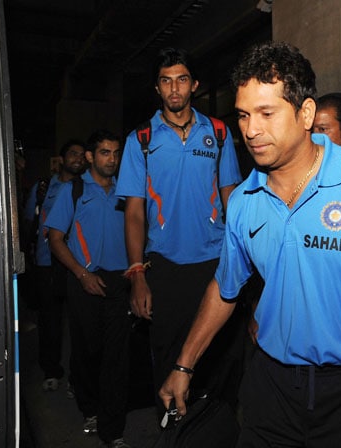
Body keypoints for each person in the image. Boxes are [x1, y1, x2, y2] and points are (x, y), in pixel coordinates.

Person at [160, 41, 341, 448]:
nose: (250, 130)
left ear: (306, 114)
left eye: (267, 113)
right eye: (244, 115)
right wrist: (184, 364)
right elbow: (224, 289)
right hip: (271, 388)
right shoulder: (245, 200)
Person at [117, 47, 243, 412]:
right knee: (170, 358)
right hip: (165, 266)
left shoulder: (218, 133)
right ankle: (172, 431)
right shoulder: (139, 140)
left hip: (214, 262)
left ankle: (215, 433)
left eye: (182, 80)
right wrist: (137, 274)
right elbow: (134, 214)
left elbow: (231, 198)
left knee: (218, 359)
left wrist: (241, 258)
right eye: (166, 81)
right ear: (157, 88)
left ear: (195, 85)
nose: (174, 89)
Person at [46, 130, 131, 448]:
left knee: (117, 356)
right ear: (92, 157)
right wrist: (82, 275)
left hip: (119, 282)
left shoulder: (127, 192)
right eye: (106, 153)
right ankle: (88, 405)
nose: (113, 159)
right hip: (85, 280)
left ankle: (112, 428)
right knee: (87, 351)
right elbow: (55, 240)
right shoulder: (74, 190)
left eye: (116, 153)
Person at [23, 140, 86, 393]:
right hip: (47, 262)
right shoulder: (44, 187)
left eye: (82, 155)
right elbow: (29, 221)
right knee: (50, 320)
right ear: (62, 159)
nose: (78, 159)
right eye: (73, 154)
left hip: (78, 263)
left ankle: (78, 376)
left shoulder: (86, 187)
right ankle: (51, 369)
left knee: (81, 322)